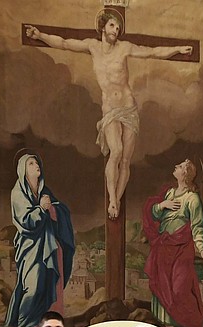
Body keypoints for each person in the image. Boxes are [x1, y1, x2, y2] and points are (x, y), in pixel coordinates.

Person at [25, 13, 193, 220]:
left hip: (129, 107)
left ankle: (117, 200)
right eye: (112, 25)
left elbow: (152, 52)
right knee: (116, 151)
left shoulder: (125, 48)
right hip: (111, 110)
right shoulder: (92, 47)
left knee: (125, 159)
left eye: (118, 27)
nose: (116, 30)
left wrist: (177, 49)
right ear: (103, 27)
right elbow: (64, 43)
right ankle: (112, 199)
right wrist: (40, 35)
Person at [143, 159, 203, 327]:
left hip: (181, 249)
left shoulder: (192, 198)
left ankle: (198, 326)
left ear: (186, 174)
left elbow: (198, 226)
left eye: (180, 166)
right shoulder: (170, 193)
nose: (176, 167)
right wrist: (162, 205)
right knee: (162, 285)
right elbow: (155, 214)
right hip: (163, 248)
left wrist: (202, 249)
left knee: (180, 289)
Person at [6, 153, 76, 327]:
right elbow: (26, 220)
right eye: (31, 163)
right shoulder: (18, 192)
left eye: (36, 162)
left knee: (47, 284)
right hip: (30, 247)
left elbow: (60, 210)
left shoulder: (45, 191)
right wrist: (42, 209)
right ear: (23, 169)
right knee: (33, 285)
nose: (36, 165)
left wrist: (53, 209)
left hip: (47, 246)